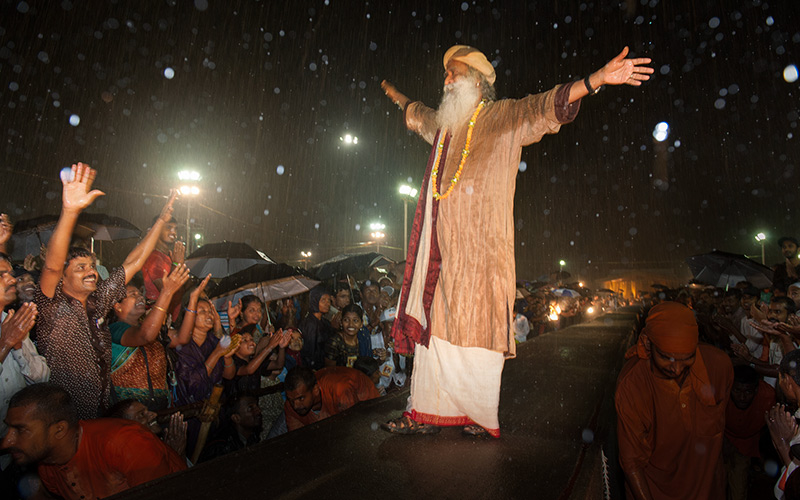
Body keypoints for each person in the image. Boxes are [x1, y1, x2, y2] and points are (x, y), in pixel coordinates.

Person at [381, 45, 653, 437]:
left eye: (453, 73)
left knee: (478, 328)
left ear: (477, 80)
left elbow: (545, 106)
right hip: (441, 259)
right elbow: (415, 113)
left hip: (485, 256)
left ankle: (476, 414)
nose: (447, 80)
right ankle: (425, 409)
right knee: (435, 330)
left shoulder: (504, 116)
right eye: (445, 74)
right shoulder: (444, 127)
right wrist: (394, 94)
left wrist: (596, 80)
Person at [33, 164, 180, 419]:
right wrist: (69, 212)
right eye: (80, 268)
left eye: (91, 266)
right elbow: (52, 266)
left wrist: (160, 222)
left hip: (101, 415)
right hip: (67, 421)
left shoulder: (98, 303)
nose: (91, 271)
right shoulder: (52, 306)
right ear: (63, 279)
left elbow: (133, 263)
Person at [615, 301, 733, 500]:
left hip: (708, 488)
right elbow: (632, 462)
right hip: (654, 490)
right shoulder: (633, 385)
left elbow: (720, 435)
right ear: (647, 344)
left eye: (687, 358)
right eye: (666, 358)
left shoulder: (718, 367)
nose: (677, 369)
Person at [1, 383, 186, 500]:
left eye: (20, 430)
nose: (6, 442)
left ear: (59, 430)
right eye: (9, 429)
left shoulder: (125, 443)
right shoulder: (48, 469)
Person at [109, 265, 194, 409]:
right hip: (131, 413)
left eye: (139, 293)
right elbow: (145, 336)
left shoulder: (150, 328)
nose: (140, 297)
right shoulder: (115, 329)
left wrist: (193, 299)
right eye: (133, 295)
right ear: (117, 306)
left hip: (160, 408)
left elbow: (182, 338)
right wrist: (166, 292)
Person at [0, 252, 48, 496]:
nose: (11, 280)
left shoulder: (13, 321)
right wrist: (5, 345)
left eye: (10, 274)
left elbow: (42, 378)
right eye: (2, 275)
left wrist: (18, 347)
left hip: (20, 452)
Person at [724, 365, 776, 500]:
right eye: (736, 390)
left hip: (746, 444)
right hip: (718, 439)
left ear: (756, 390)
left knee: (738, 489)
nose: (742, 397)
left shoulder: (768, 397)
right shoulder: (720, 391)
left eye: (748, 392)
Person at [283, 366, 380, 431]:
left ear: (315, 390)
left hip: (369, 412)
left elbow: (353, 429)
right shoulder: (290, 406)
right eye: (291, 400)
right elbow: (299, 441)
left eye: (301, 398)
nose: (296, 406)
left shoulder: (339, 391)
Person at [105, 399, 188, 461]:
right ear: (126, 427)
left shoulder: (161, 445)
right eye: (142, 414)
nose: (154, 414)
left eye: (147, 411)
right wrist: (176, 454)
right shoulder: (134, 459)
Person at [141, 213, 185, 320]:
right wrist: (176, 265)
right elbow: (166, 290)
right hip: (156, 317)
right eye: (168, 227)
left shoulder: (168, 257)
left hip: (168, 317)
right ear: (157, 230)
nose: (173, 232)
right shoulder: (153, 257)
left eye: (175, 229)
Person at [199, 393, 262, 462]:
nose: (258, 411)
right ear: (236, 418)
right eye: (250, 408)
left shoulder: (253, 437)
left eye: (257, 406)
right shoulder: (221, 447)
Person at [324, 303, 372, 368]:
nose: (351, 324)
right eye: (346, 320)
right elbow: (330, 371)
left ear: (361, 324)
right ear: (341, 322)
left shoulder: (363, 337)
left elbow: (367, 366)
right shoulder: (334, 342)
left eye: (355, 320)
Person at [299, 286, 334, 370]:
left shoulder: (324, 321)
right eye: (323, 300)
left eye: (329, 300)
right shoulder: (310, 324)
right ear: (315, 301)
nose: (328, 304)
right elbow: (309, 353)